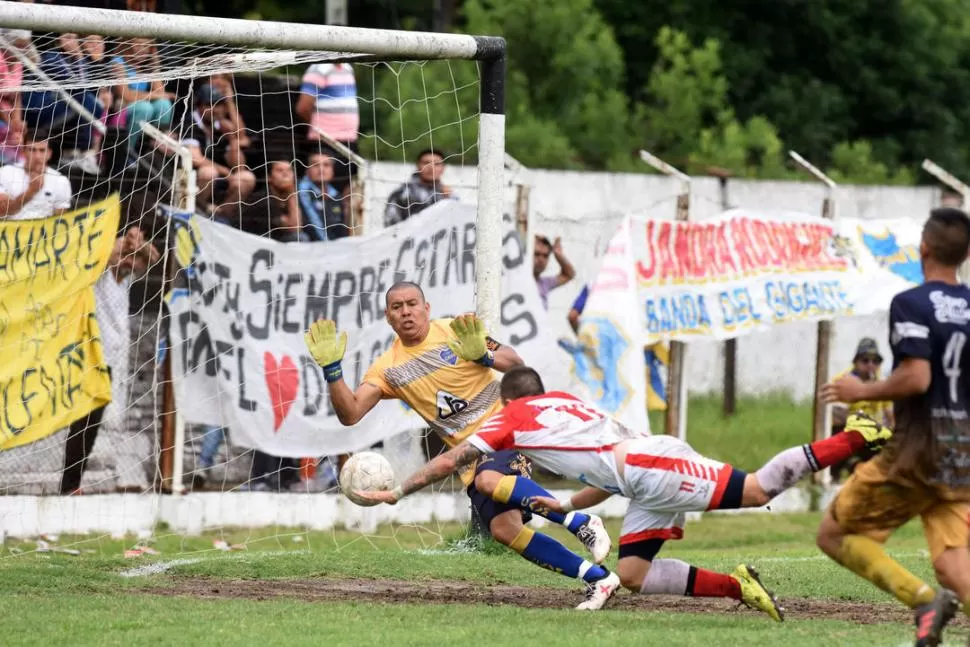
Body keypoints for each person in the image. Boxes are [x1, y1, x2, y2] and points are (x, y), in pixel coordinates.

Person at [356, 364, 892, 615]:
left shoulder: (512, 418)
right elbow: (602, 476)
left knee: (754, 489)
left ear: (506, 400)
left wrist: (399, 492)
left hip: (649, 467)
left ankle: (856, 434)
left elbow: (453, 458)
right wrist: (565, 504)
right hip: (639, 471)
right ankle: (739, 587)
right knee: (634, 575)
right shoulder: (567, 405)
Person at [304, 285, 615, 607]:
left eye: (412, 304)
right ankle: (599, 579)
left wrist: (483, 355)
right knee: (505, 531)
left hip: (505, 430)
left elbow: (515, 362)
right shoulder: (387, 368)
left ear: (427, 307)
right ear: (388, 317)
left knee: (488, 480)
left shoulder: (454, 330)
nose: (406, 312)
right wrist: (332, 372)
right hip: (469, 456)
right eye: (397, 307)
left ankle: (582, 523)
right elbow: (351, 413)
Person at [819, 207, 970, 647]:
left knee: (834, 533)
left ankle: (924, 602)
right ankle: (932, 600)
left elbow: (917, 377)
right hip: (961, 454)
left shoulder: (911, 303)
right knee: (954, 563)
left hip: (916, 451)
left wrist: (858, 392)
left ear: (923, 247)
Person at [61, 226, 160, 494]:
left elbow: (154, 257)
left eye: (133, 259)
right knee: (81, 423)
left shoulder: (126, 279)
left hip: (109, 360)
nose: (129, 263)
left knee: (91, 424)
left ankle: (72, 483)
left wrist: (137, 242)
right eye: (125, 257)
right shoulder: (100, 273)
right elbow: (107, 253)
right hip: (85, 354)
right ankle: (69, 484)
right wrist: (123, 243)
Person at [828, 337, 894, 481]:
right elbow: (837, 417)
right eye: (865, 360)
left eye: (875, 361)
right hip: (848, 431)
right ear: (856, 362)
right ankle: (839, 472)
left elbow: (890, 416)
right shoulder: (843, 381)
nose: (870, 365)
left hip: (872, 435)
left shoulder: (881, 383)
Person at [0, 132, 72, 220]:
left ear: (49, 153)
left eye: (42, 150)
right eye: (32, 150)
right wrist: (31, 191)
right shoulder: (5, 172)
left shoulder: (61, 181)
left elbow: (59, 219)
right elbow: (2, 211)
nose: (37, 156)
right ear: (24, 151)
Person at [384, 148, 453, 227]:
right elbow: (391, 225)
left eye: (437, 164)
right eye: (426, 163)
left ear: (443, 168)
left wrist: (447, 200)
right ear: (418, 166)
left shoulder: (449, 194)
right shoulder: (403, 193)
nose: (431, 167)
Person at [298, 151, 347, 241]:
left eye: (326, 165)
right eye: (316, 165)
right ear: (307, 170)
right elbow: (312, 224)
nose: (321, 169)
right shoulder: (301, 191)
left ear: (333, 170)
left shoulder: (336, 195)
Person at [534, 235, 575, 309]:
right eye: (536, 254)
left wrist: (558, 254)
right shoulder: (515, 280)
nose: (541, 259)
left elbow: (569, 274)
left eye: (545, 256)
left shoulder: (544, 283)